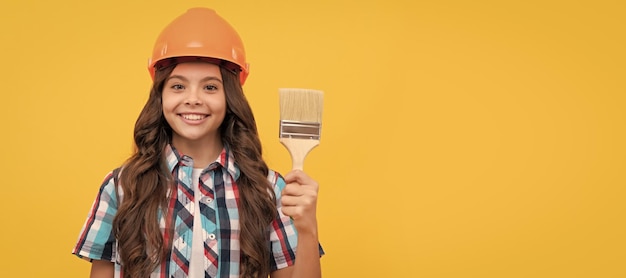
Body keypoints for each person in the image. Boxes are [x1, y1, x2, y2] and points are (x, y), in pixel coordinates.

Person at [72, 7, 323, 278]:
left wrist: (308, 228)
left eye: (210, 87)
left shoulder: (269, 190)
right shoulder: (121, 186)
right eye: (178, 86)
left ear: (231, 98)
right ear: (161, 96)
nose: (193, 98)